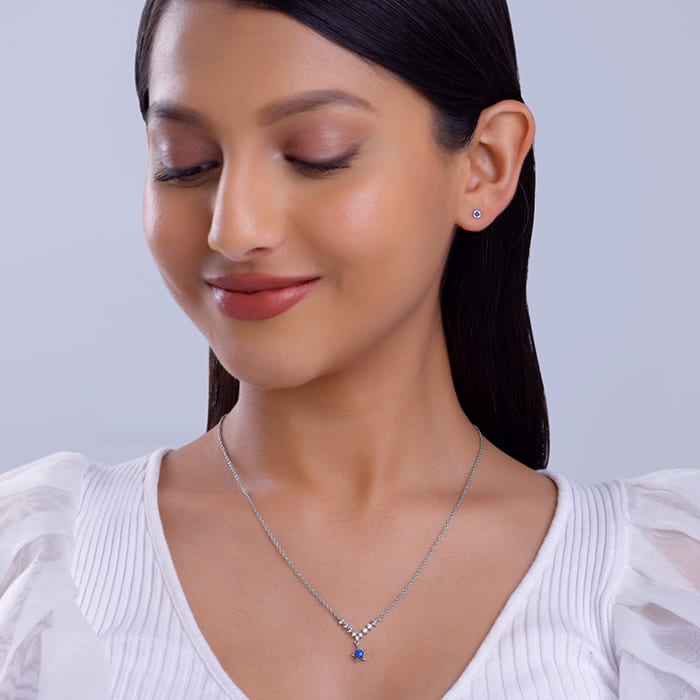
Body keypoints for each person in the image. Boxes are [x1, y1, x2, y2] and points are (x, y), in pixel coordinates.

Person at [0, 0, 698, 698]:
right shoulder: (29, 569)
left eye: (317, 155)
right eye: (185, 164)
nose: (233, 230)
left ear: (485, 165)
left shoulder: (665, 593)